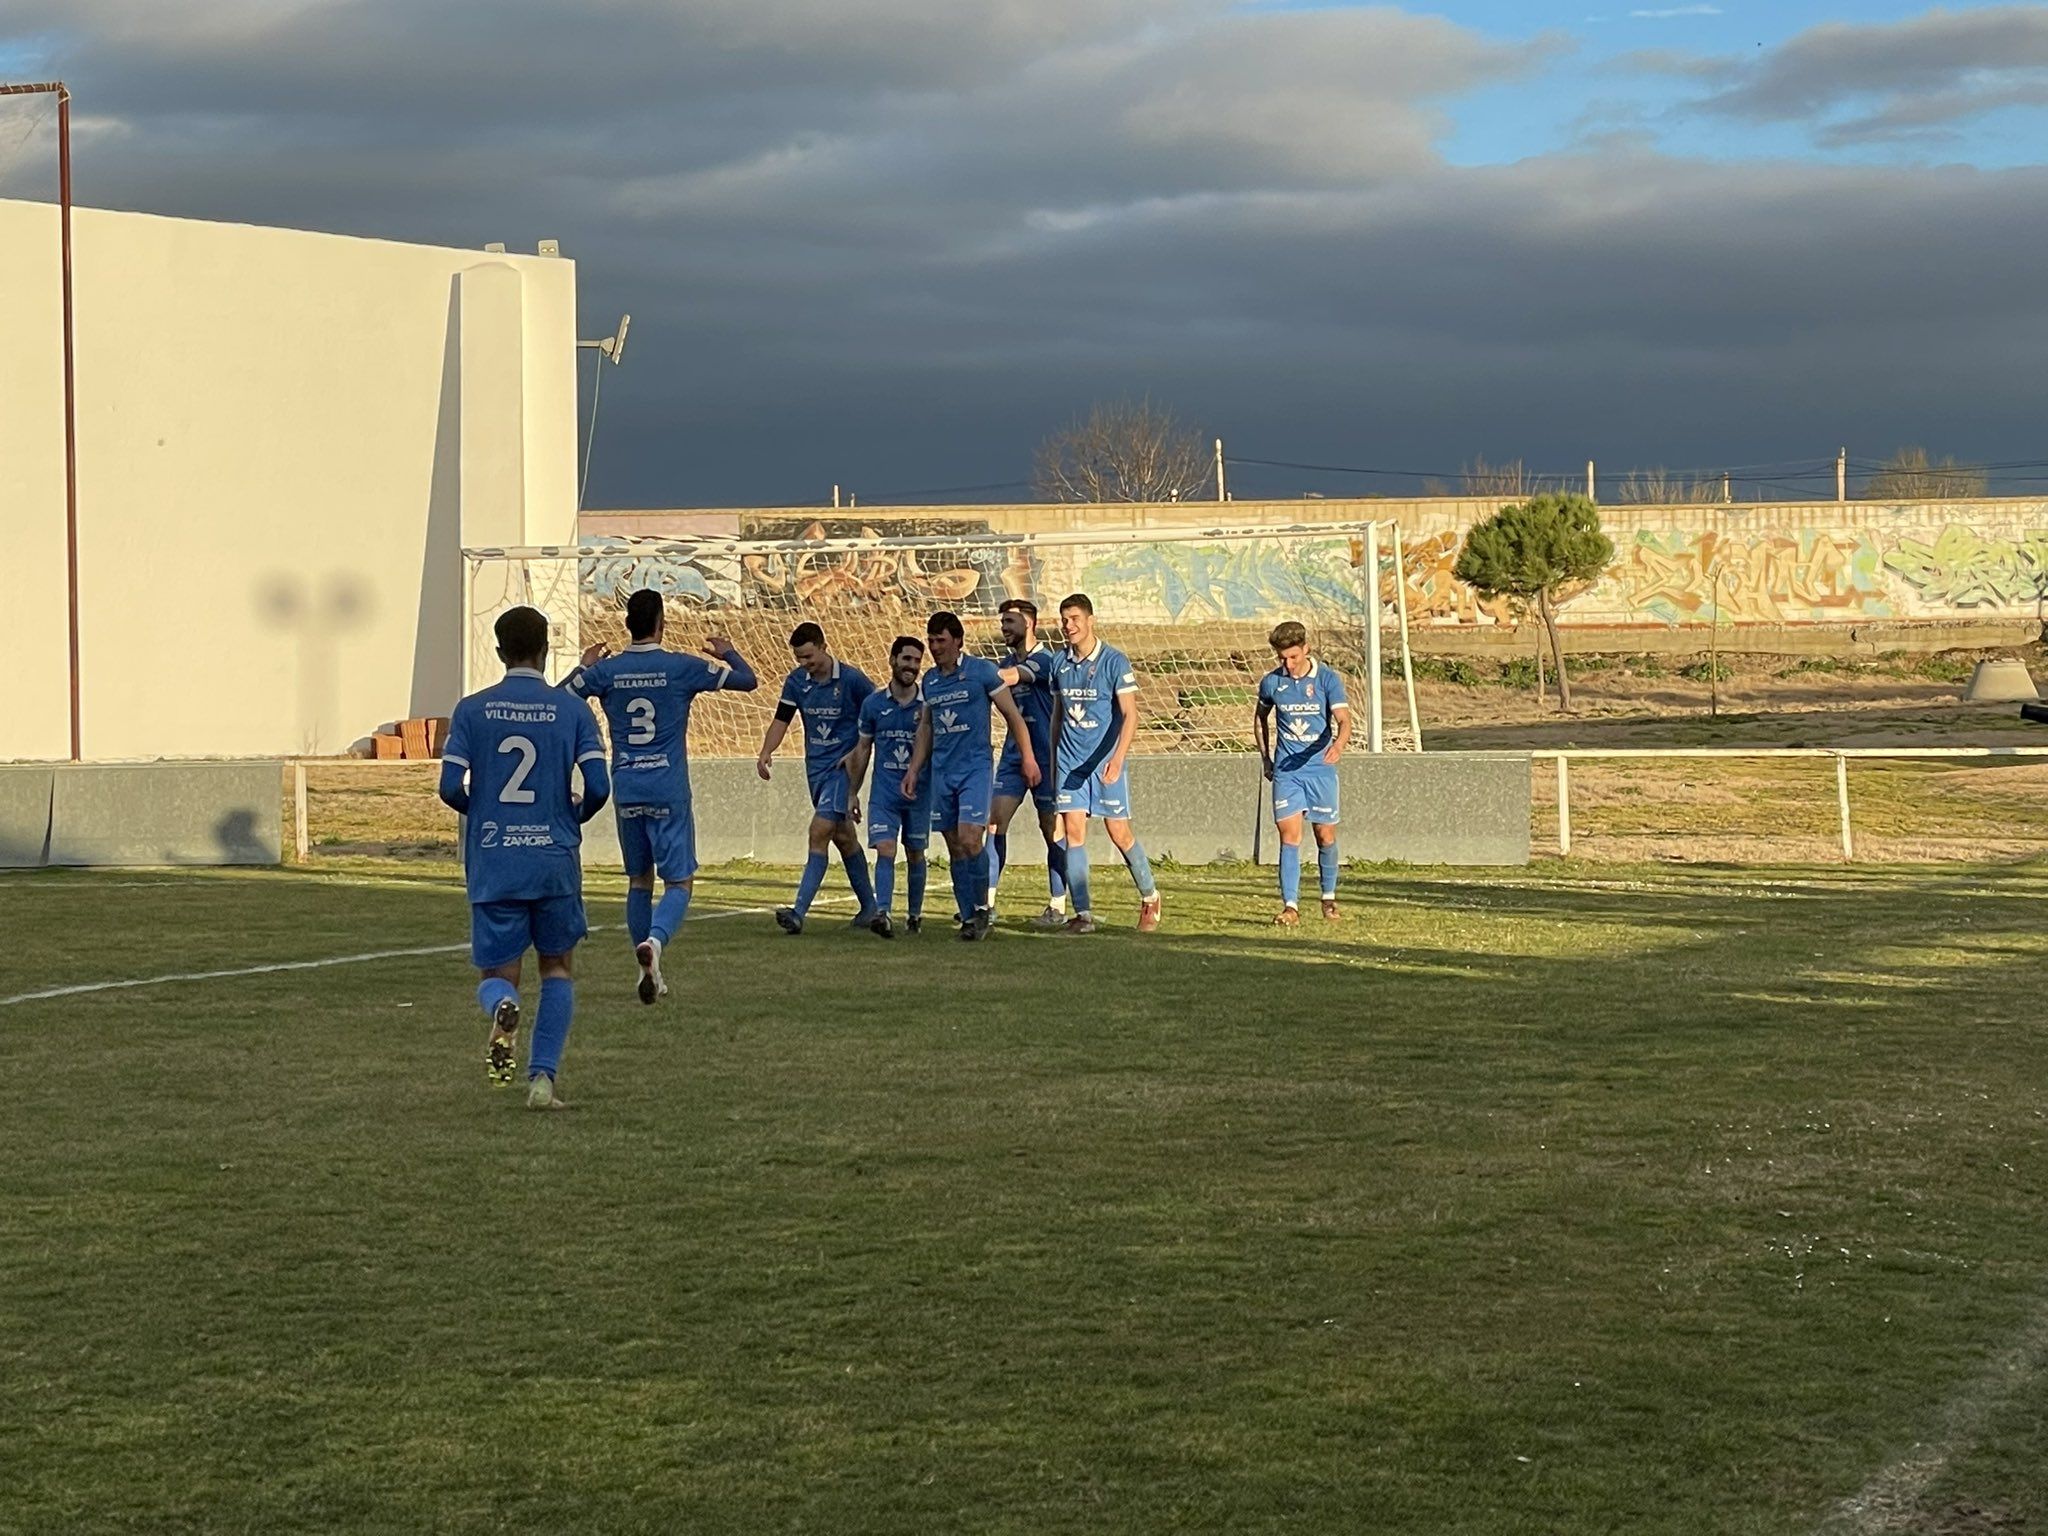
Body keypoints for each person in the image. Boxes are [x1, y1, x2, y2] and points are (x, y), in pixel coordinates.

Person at [438, 605, 609, 1111]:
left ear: (498, 652)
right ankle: (541, 1083)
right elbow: (598, 786)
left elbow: (450, 786)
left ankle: (504, 1007)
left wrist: (485, 810)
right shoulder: (572, 709)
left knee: (496, 976)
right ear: (546, 650)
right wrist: (572, 816)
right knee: (557, 968)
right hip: (553, 857)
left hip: (495, 859)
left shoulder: (471, 710)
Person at [565, 588, 757, 1003]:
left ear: (626, 625)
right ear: (661, 624)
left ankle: (647, 971)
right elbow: (749, 681)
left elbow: (560, 699)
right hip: (668, 787)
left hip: (627, 786)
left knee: (638, 881)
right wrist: (728, 652)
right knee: (679, 883)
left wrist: (584, 666)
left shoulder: (608, 671)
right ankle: (654, 941)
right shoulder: (680, 667)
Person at [900, 610, 1039, 941]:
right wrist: (914, 769)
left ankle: (980, 909)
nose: (935, 647)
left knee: (970, 838)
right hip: (942, 774)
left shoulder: (982, 672)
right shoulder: (930, 682)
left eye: (941, 640)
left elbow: (1013, 716)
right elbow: (927, 728)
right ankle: (968, 916)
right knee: (954, 845)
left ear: (958, 641)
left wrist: (1028, 759)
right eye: (931, 641)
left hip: (975, 769)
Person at [1048, 592, 1160, 935]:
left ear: (1090, 620)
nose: (1069, 626)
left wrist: (1117, 758)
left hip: (1105, 762)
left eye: (1075, 619)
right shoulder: (1059, 663)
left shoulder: (1115, 661)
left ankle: (1150, 896)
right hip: (1070, 762)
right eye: (1065, 620)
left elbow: (1130, 715)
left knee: (1119, 833)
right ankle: (1083, 915)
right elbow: (1057, 717)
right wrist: (1054, 762)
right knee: (1073, 833)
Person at [757, 622, 879, 934]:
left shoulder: (852, 680)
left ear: (824, 647)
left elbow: (879, 713)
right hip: (816, 770)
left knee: (818, 831)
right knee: (843, 837)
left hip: (842, 772)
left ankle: (798, 912)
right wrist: (766, 751)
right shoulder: (797, 682)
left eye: (809, 657)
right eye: (800, 659)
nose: (805, 664)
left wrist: (856, 753)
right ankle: (870, 909)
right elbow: (781, 719)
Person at [1255, 620, 1352, 924]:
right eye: (1282, 658)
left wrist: (1339, 744)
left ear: (1306, 649)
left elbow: (1344, 720)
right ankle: (1290, 907)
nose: (1289, 663)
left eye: (1294, 657)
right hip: (1287, 772)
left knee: (1324, 835)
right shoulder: (1272, 683)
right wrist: (1266, 759)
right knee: (1289, 836)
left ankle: (1328, 898)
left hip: (1319, 770)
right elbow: (1259, 720)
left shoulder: (1326, 680)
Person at [843, 635, 933, 938]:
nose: (912, 666)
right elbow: (863, 750)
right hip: (884, 794)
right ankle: (883, 912)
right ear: (893, 660)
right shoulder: (873, 704)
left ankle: (914, 915)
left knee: (915, 853)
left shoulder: (928, 705)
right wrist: (853, 791)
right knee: (885, 849)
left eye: (917, 661)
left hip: (920, 794)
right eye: (906, 659)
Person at [989, 598, 1070, 927]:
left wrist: (978, 674)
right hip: (1013, 756)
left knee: (1051, 829)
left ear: (1029, 623)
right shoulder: (1007, 660)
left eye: (1010, 622)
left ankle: (1058, 905)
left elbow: (1014, 676)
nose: (1004, 628)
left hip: (1047, 758)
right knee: (995, 822)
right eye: (1003, 622)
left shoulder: (1045, 661)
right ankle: (987, 903)